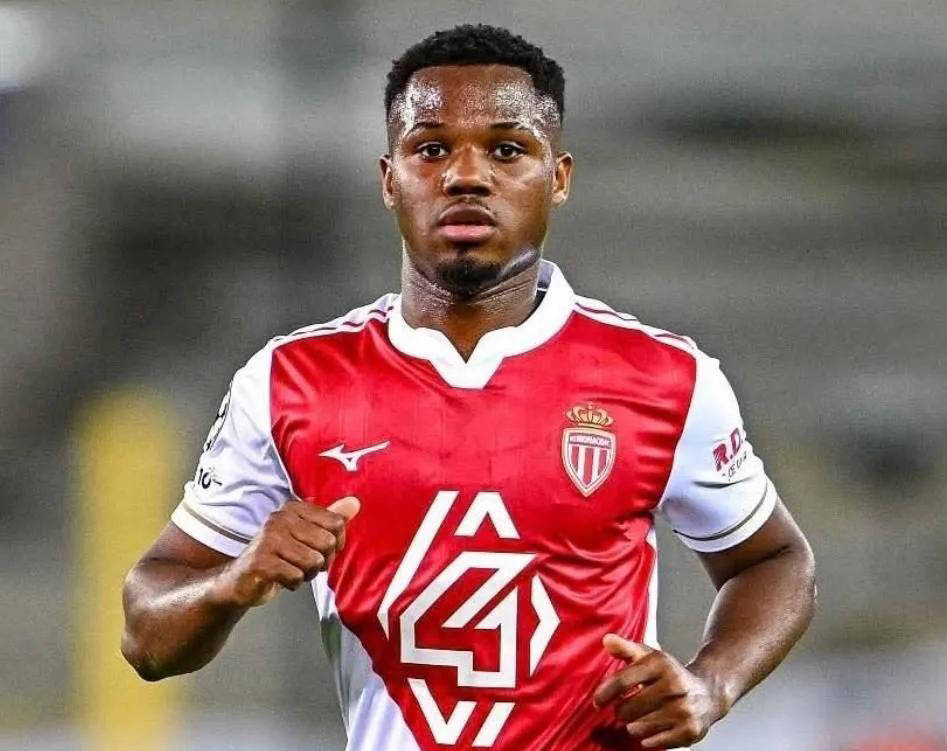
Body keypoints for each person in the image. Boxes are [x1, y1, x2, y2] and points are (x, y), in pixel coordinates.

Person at [121, 24, 816, 751]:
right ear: (389, 179)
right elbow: (147, 637)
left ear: (558, 177)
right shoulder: (291, 381)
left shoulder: (664, 378)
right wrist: (231, 581)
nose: (465, 175)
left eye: (506, 149)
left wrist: (712, 683)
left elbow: (774, 559)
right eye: (430, 149)